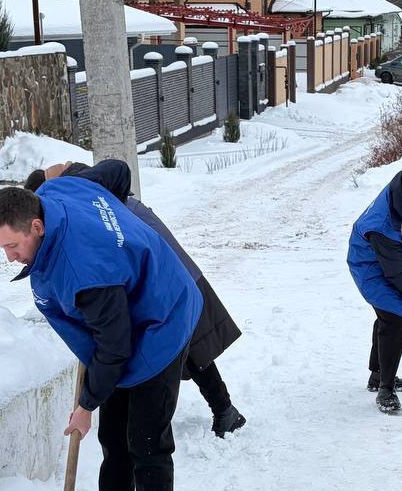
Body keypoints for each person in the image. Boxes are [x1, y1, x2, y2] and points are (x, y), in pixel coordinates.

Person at [0, 179, 202, 491]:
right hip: (126, 309)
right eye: (2, 249)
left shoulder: (83, 271)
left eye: (12, 247)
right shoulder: (53, 195)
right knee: (114, 435)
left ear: (36, 227)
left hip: (161, 320)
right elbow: (70, 176)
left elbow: (114, 348)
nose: (10, 258)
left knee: (147, 441)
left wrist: (86, 404)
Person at [26, 160, 246, 439]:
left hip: (159, 265)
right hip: (151, 262)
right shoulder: (78, 188)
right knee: (186, 341)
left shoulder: (78, 199)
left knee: (192, 340)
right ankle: (224, 409)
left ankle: (225, 409)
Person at [347, 167, 402, 414]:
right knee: (393, 318)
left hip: (395, 259)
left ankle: (377, 375)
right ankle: (386, 388)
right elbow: (394, 273)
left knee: (387, 317)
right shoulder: (381, 225)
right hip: (370, 267)